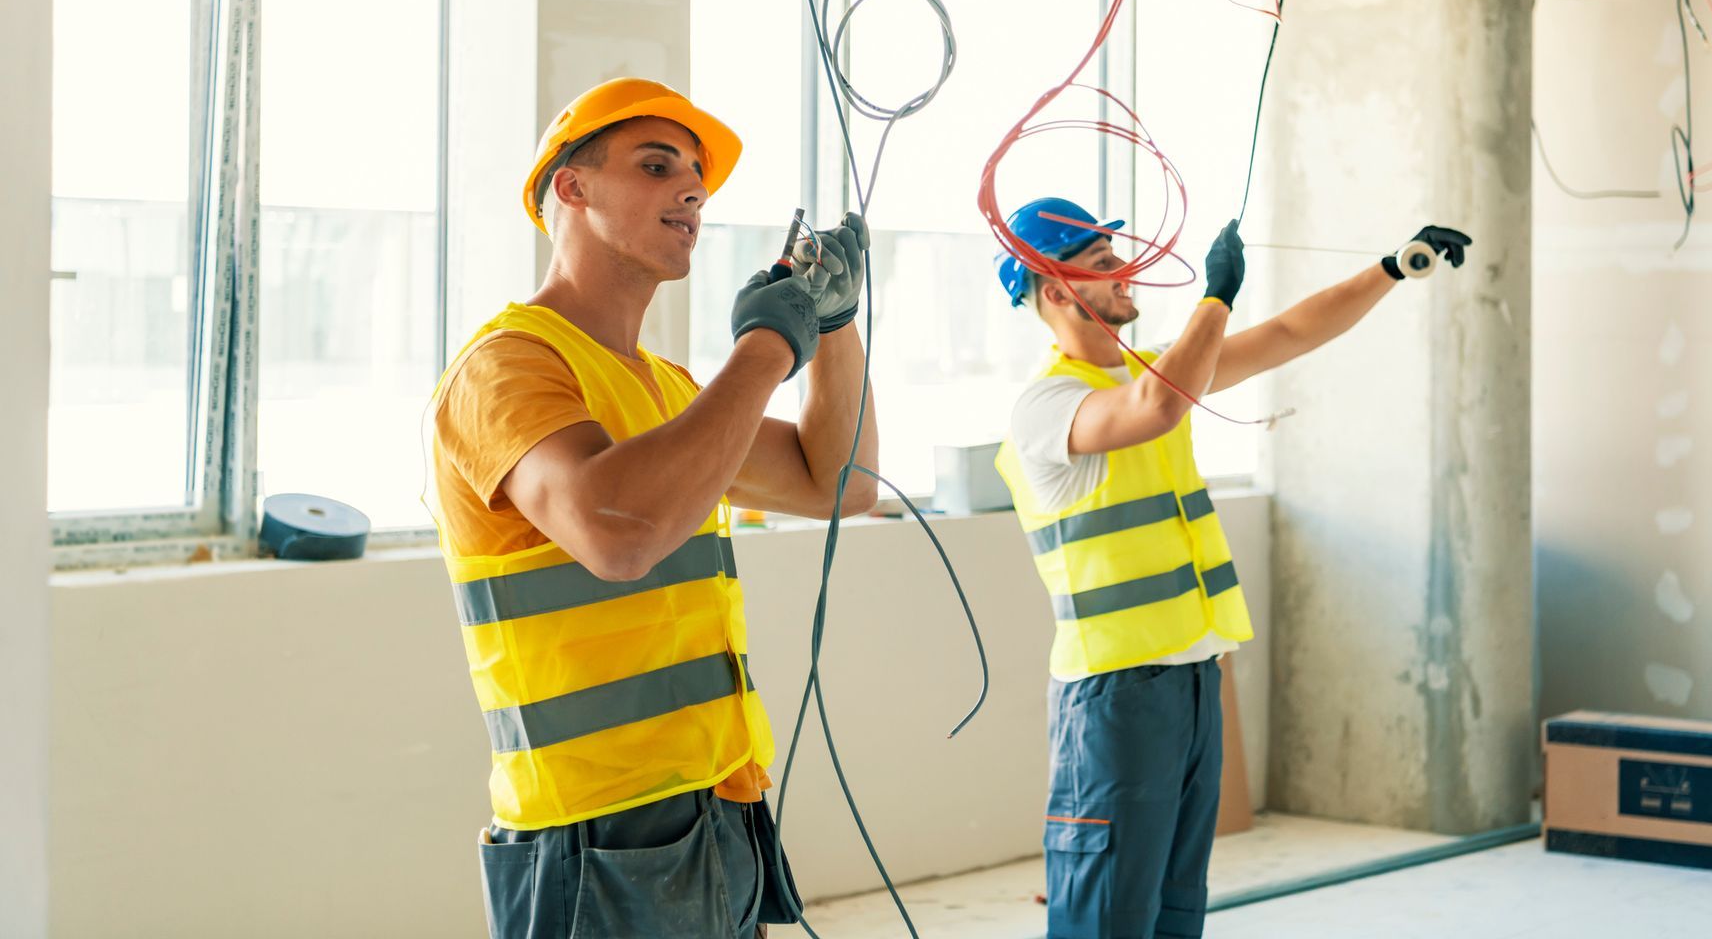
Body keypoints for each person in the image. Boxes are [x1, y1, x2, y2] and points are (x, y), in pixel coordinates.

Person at [428, 77, 879, 938]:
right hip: (593, 835)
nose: (692, 190)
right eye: (656, 164)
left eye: (697, 177)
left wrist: (835, 320)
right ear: (572, 185)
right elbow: (617, 533)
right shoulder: (504, 368)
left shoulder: (669, 393)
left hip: (716, 810)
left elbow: (842, 482)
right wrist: (769, 342)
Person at [993, 196, 1471, 939]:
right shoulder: (1050, 405)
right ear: (1055, 290)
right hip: (1113, 698)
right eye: (1102, 263)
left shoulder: (1155, 373)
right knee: (1107, 916)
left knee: (1175, 910)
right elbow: (1155, 410)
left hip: (1190, 680)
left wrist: (1393, 268)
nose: (1128, 272)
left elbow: (1287, 334)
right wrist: (1215, 296)